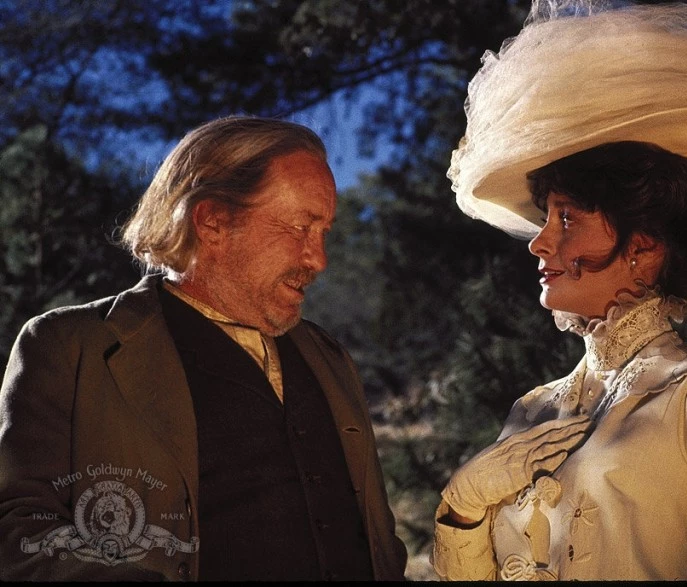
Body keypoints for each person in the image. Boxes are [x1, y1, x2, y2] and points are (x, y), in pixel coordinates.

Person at [0, 115, 408, 581]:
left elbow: (378, 543)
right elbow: (17, 534)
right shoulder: (68, 347)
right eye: (300, 227)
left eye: (324, 233)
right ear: (213, 221)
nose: (319, 259)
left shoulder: (329, 357)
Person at [431, 0, 687, 581]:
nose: (539, 242)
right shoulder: (533, 406)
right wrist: (462, 510)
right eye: (544, 217)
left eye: (567, 218)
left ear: (645, 247)